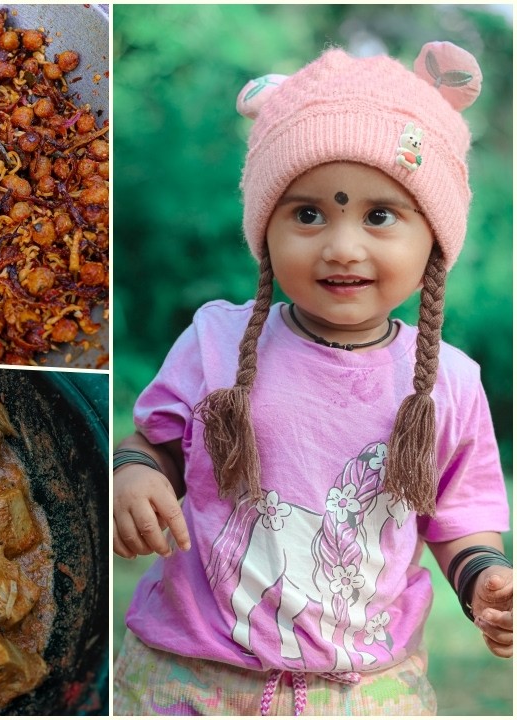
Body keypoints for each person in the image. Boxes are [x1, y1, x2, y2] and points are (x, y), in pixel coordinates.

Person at [111, 41, 512, 715]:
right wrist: (136, 473)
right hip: (187, 679)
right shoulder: (214, 340)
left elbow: (461, 519)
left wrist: (486, 580)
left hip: (366, 689)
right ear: (264, 229)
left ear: (435, 241)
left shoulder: (451, 383)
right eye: (307, 214)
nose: (342, 246)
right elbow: (156, 440)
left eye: (379, 215)